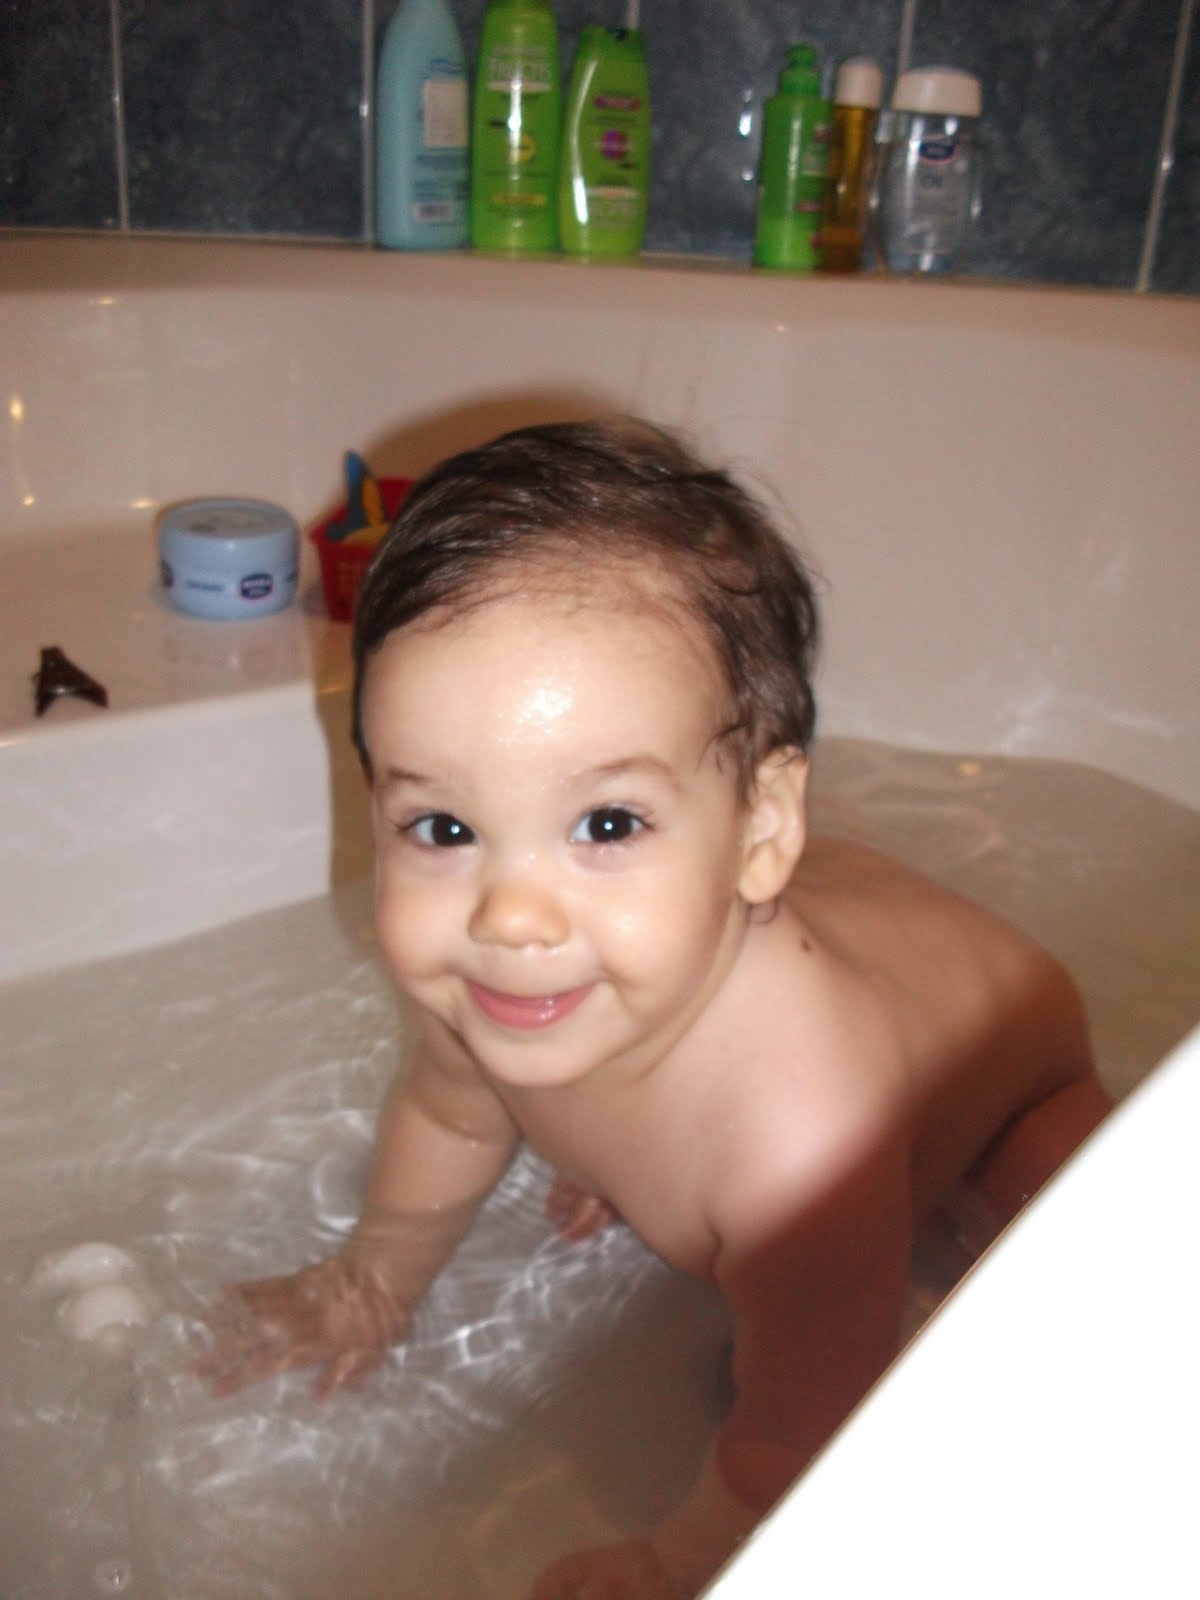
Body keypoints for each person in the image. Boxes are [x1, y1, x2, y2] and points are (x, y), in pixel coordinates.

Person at [199, 418, 1112, 1599]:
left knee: (1068, 1242)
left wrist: (681, 1559)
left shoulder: (801, 1134)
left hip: (1014, 1086)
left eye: (607, 823)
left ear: (761, 830)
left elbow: (811, 1423)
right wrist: (370, 1283)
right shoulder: (507, 981)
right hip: (805, 936)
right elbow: (453, 1114)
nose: (509, 916)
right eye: (444, 826)